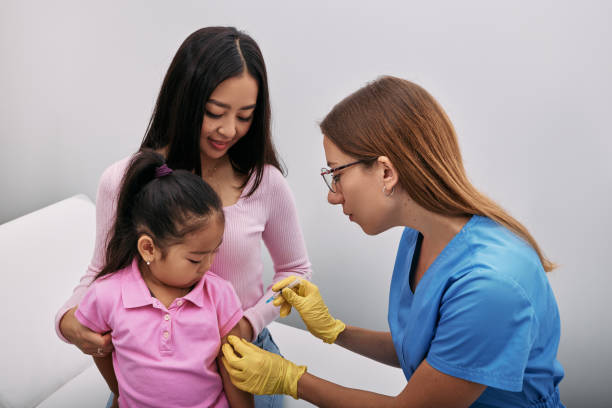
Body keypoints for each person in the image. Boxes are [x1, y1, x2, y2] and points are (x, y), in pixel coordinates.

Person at [221, 76, 565, 407]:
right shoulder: (419, 237)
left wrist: (291, 380)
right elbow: (428, 353)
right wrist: (335, 331)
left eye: (337, 174)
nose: (333, 196)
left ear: (387, 172)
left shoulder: (490, 286)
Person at [55, 27, 311, 408]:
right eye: (214, 112)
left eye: (245, 116)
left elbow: (296, 271)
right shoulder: (125, 180)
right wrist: (67, 322)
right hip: (152, 367)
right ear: (185, 102)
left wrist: (247, 324)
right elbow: (100, 271)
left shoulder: (265, 184)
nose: (229, 130)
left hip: (241, 355)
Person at [76, 150, 252, 407]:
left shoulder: (219, 294)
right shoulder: (106, 294)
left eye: (214, 252)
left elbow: (234, 370)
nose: (208, 265)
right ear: (149, 248)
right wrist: (121, 392)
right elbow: (97, 347)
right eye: (195, 259)